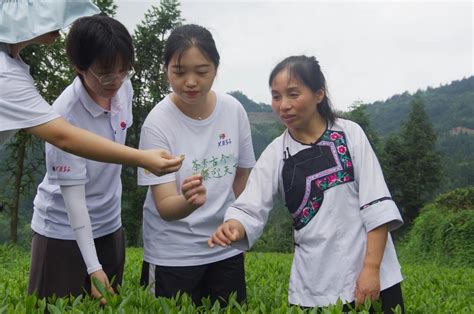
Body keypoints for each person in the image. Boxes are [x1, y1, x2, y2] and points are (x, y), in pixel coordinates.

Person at [209, 55, 405, 313]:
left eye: (293, 94)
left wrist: (370, 269)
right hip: (314, 286)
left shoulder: (349, 134)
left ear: (319, 94)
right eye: (276, 96)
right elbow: (250, 205)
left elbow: (375, 204)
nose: (283, 105)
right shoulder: (275, 153)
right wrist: (234, 225)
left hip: (375, 276)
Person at [137, 24, 256, 306]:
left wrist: (241, 224)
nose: (190, 81)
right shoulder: (158, 124)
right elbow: (165, 205)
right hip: (173, 255)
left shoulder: (233, 110)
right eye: (179, 72)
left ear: (215, 69)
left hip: (224, 249)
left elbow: (242, 177)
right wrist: (189, 202)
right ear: (166, 69)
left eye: (201, 71)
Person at [0, 0, 183, 177]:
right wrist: (143, 158)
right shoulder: (5, 73)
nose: (62, 18)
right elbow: (64, 138)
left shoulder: (11, 62)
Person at [28, 15, 136, 301]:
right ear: (79, 67)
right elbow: (73, 200)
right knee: (57, 306)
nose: (116, 80)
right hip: (61, 232)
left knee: (107, 305)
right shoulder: (64, 116)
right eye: (105, 73)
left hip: (109, 224)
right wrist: (93, 267)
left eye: (124, 70)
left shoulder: (124, 87)